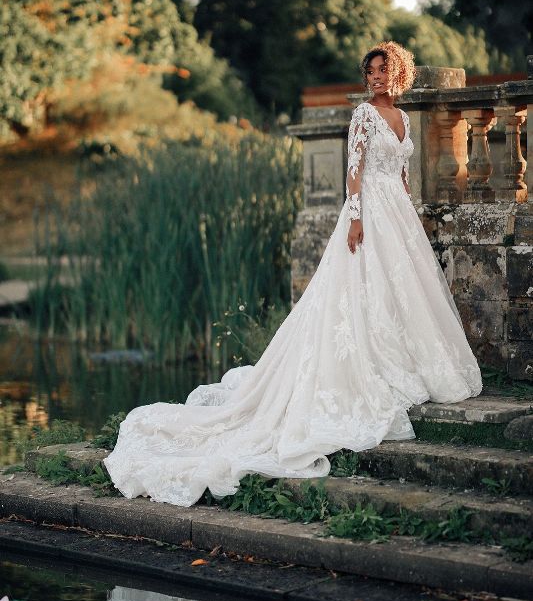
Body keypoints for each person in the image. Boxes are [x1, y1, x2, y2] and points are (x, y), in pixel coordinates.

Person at [104, 40, 483, 507]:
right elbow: (354, 171)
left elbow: (401, 173)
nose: (377, 78)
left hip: (398, 213)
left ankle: (404, 360)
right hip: (368, 213)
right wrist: (357, 216)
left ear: (399, 73)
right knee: (358, 292)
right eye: (371, 72)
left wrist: (408, 210)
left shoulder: (404, 119)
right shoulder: (363, 115)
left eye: (385, 71)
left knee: (403, 293)